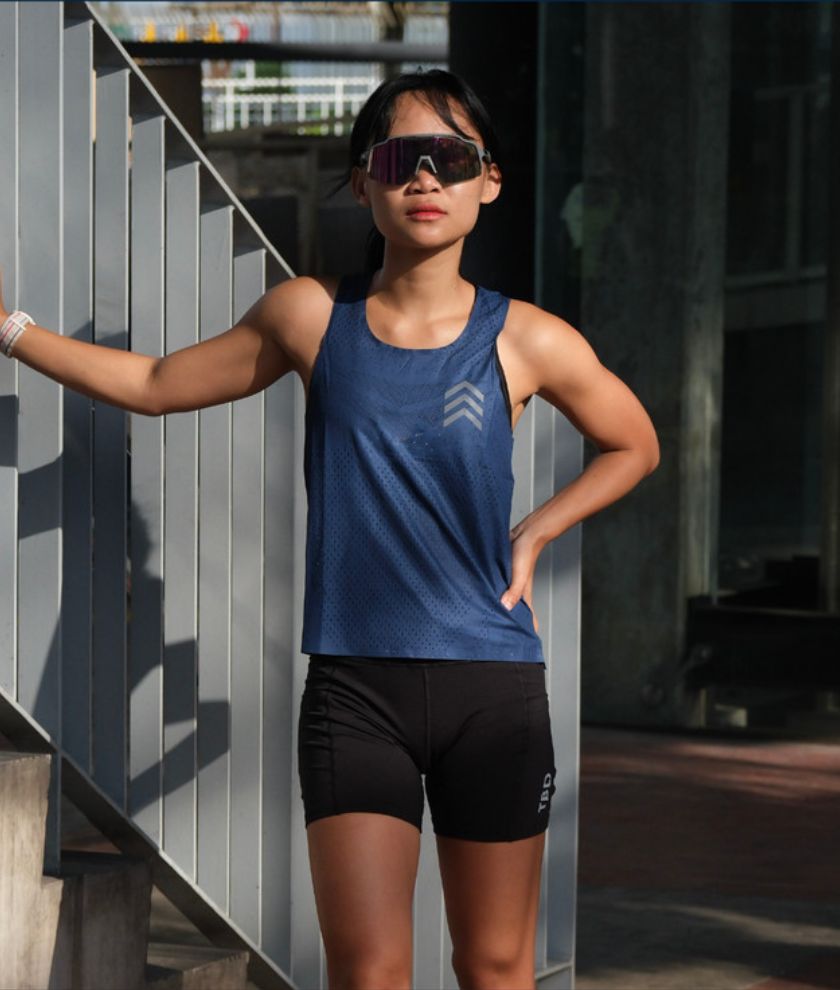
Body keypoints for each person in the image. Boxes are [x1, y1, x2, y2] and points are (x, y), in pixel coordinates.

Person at [0, 69, 659, 990]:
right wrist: (10, 330)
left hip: (492, 693)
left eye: (451, 158)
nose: (424, 178)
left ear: (488, 181)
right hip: (356, 696)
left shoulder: (528, 339)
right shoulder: (311, 315)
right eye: (400, 158)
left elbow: (634, 444)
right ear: (363, 184)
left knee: (496, 963)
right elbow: (153, 385)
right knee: (367, 970)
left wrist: (536, 532)